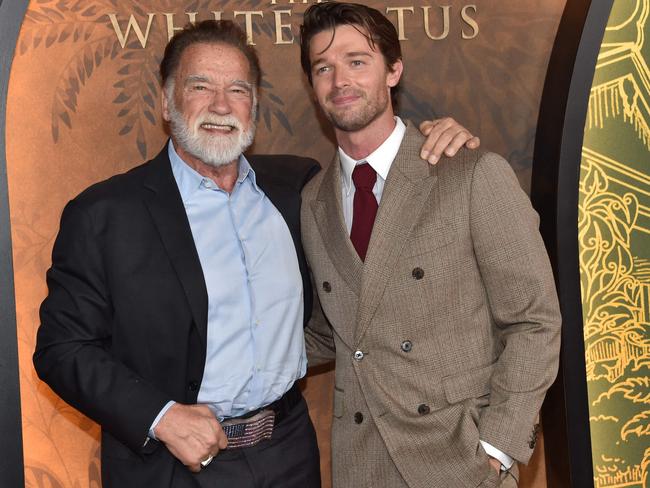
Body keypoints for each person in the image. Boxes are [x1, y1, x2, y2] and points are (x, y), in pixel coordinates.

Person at [33, 19, 478, 488]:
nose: (221, 105)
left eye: (238, 90)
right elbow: (61, 349)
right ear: (166, 102)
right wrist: (161, 417)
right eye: (200, 86)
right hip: (172, 466)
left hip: (289, 452)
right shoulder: (105, 214)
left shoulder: (298, 188)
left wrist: (432, 139)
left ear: (254, 106)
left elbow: (378, 179)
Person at [298, 3, 562, 488]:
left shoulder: (469, 172)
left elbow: (534, 319)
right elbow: (332, 328)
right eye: (323, 67)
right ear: (312, 85)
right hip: (361, 462)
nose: (340, 80)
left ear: (393, 70)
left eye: (358, 61)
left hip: (460, 458)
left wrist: (499, 446)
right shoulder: (313, 200)